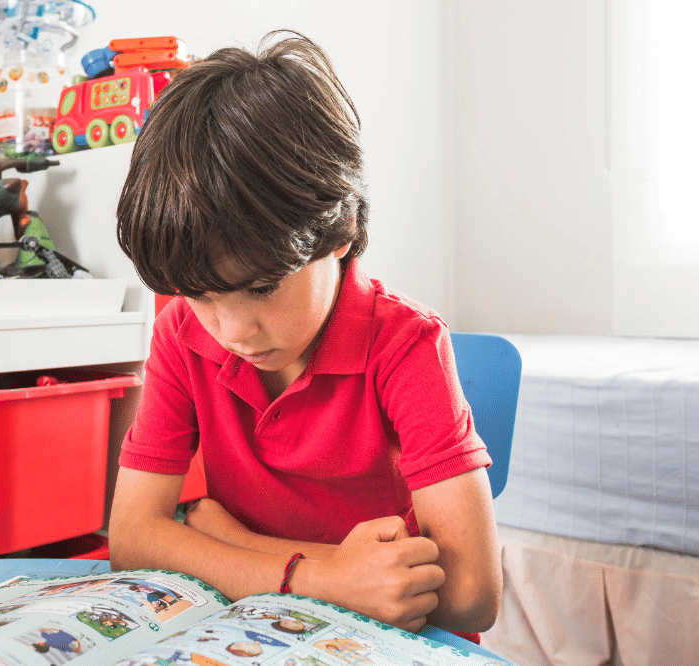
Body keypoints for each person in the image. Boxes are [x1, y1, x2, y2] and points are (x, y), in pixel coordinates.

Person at [107, 30, 501, 639]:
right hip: (257, 630)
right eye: (201, 295)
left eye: (262, 288)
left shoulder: (408, 344)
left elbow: (472, 595)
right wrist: (322, 578)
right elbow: (132, 539)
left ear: (339, 230)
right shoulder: (180, 335)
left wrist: (229, 542)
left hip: (395, 639)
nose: (234, 331)